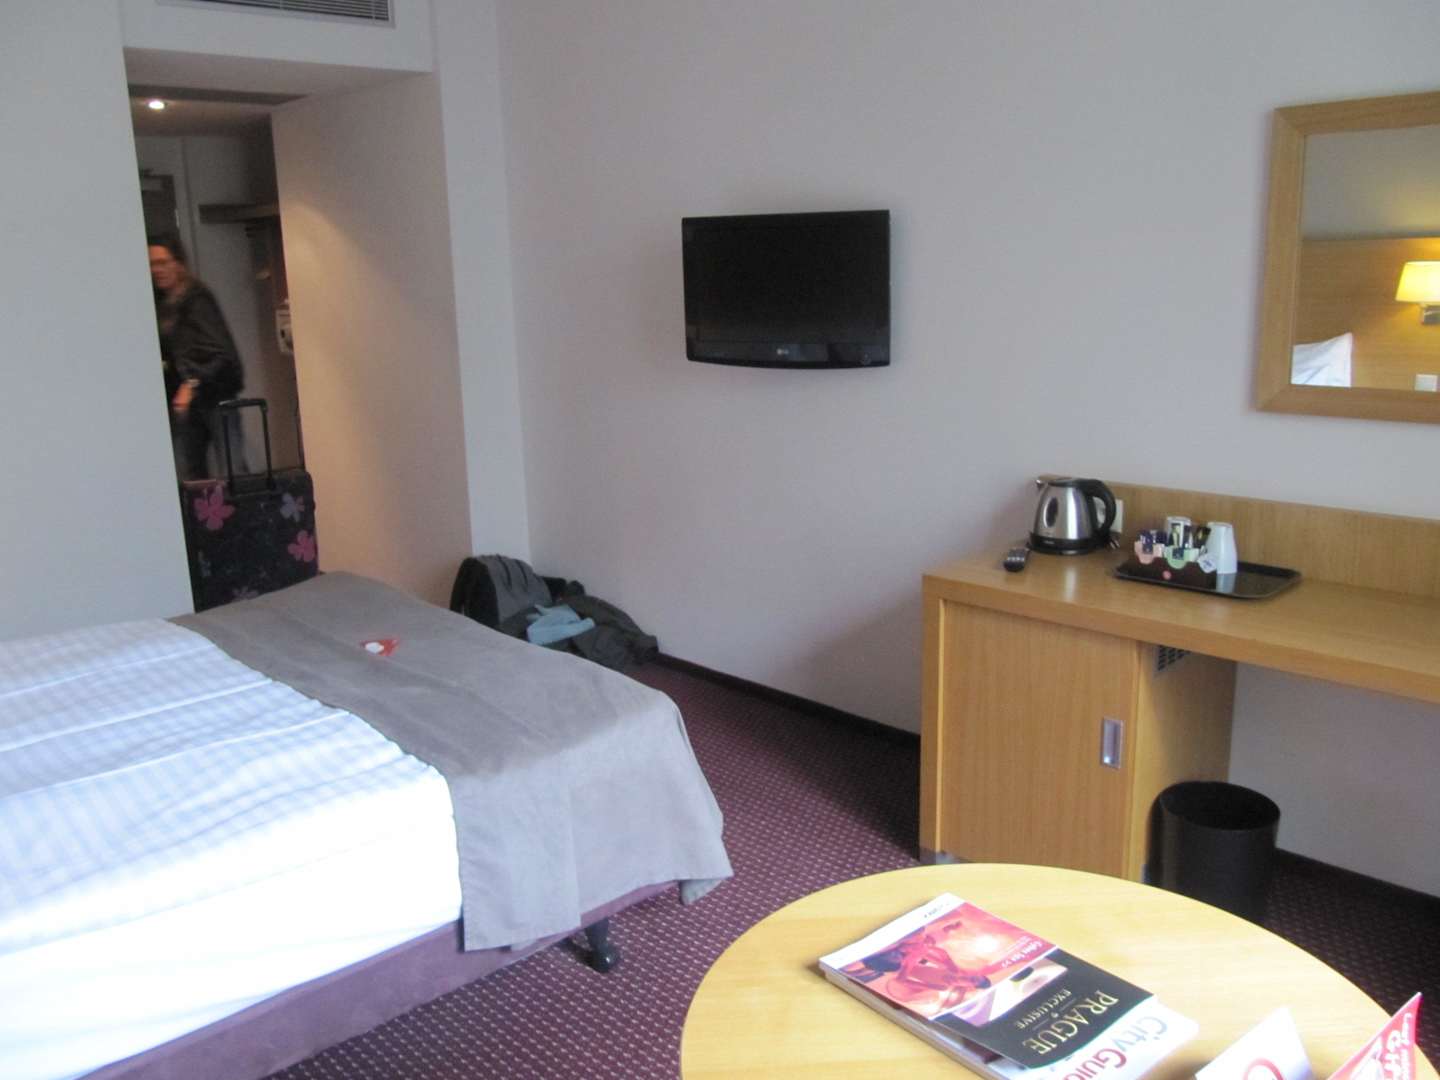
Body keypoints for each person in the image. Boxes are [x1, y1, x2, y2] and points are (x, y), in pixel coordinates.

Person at [148, 236, 245, 480]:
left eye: (163, 262)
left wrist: (191, 383)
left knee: (233, 473)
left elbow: (219, 352)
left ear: (178, 263)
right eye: (152, 264)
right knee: (188, 474)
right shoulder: (161, 303)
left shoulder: (197, 299)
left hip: (214, 393)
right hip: (185, 399)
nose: (157, 270)